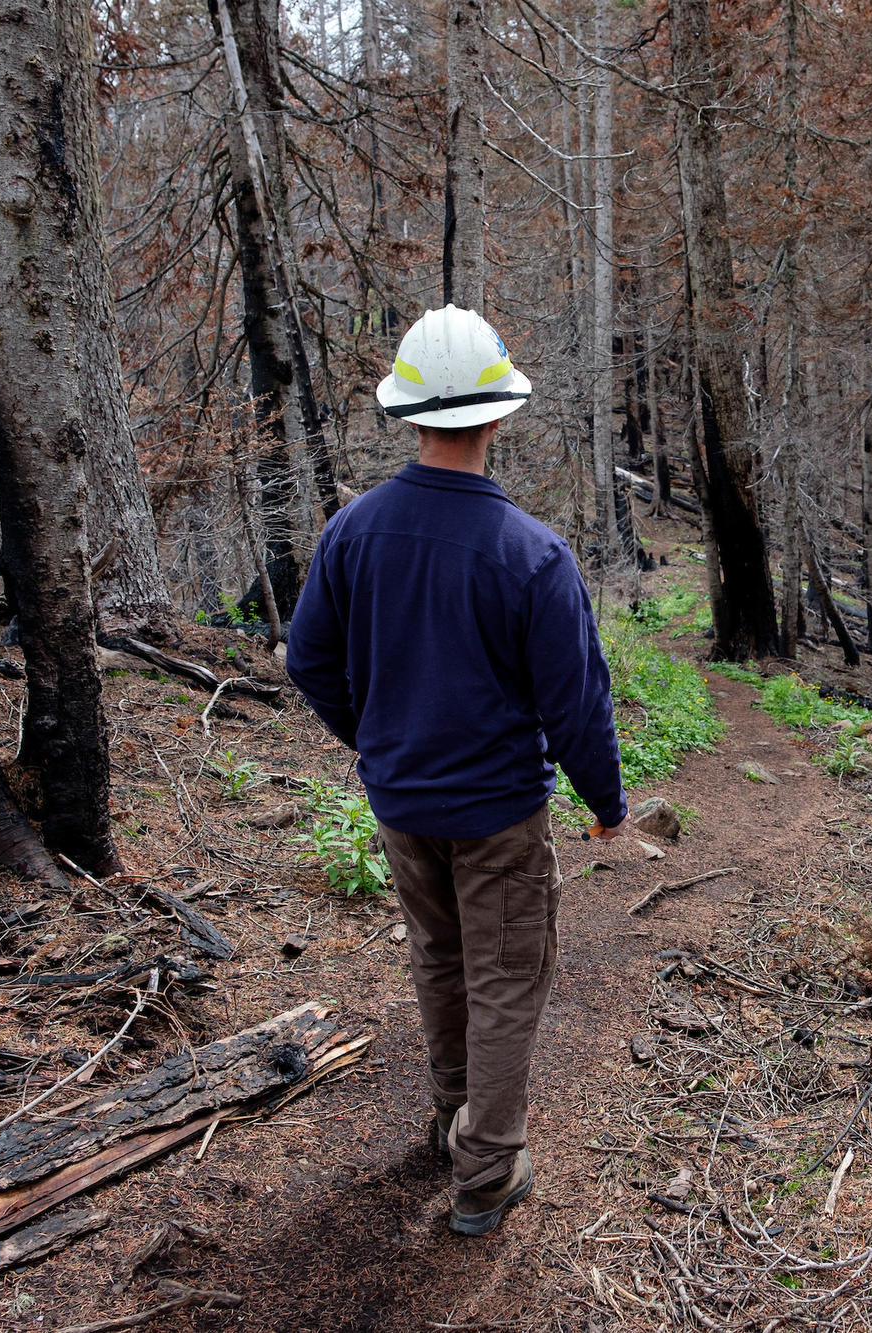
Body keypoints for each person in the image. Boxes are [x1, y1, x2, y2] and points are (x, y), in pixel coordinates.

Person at [285, 305, 628, 1236]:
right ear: (498, 414)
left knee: (440, 954)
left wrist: (375, 738)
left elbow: (306, 659)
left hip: (401, 803)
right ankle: (486, 1171)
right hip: (499, 814)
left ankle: (452, 1118)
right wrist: (607, 803)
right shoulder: (532, 554)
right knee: (509, 975)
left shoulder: (352, 531)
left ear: (411, 414)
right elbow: (576, 703)